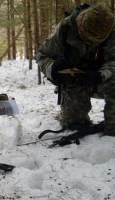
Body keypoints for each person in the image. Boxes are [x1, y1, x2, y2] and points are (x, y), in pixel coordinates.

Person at [36, 4, 115, 136]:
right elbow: (42, 56)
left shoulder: (112, 30)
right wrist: (53, 69)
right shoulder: (65, 29)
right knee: (73, 124)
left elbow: (113, 59)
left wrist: (100, 75)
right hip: (74, 80)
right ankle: (71, 117)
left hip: (101, 77)